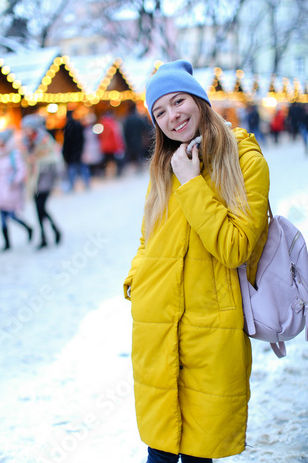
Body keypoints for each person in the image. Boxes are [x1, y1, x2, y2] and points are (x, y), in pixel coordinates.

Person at [123, 60, 270, 463]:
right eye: (160, 111)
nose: (172, 116)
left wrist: (192, 183)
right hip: (157, 324)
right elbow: (147, 235)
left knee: (199, 452)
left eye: (179, 101)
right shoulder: (164, 165)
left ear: (200, 101)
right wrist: (136, 280)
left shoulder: (245, 159)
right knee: (160, 449)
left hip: (212, 329)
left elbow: (235, 247)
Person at [0, 128, 33, 251]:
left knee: (12, 215)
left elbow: (21, 170)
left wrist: (13, 181)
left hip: (10, 189)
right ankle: (7, 243)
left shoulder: (14, 154)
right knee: (2, 218)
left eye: (2, 140)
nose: (0, 143)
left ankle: (28, 228)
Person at [21, 114, 62, 250]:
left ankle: (48, 234)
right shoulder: (26, 143)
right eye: (24, 128)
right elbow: (25, 160)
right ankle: (51, 232)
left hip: (45, 176)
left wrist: (36, 160)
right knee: (39, 208)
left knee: (40, 207)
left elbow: (53, 158)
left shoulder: (44, 140)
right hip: (34, 178)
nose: (26, 131)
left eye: (28, 128)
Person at [62, 110, 90, 190]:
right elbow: (82, 138)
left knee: (72, 169)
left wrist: (65, 152)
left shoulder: (67, 126)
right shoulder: (78, 125)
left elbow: (66, 141)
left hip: (71, 151)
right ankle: (87, 183)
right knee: (82, 167)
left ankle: (71, 185)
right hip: (78, 150)